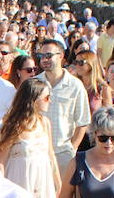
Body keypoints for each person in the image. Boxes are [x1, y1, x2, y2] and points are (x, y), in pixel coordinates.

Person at [0, 77, 59, 198]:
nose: (49, 101)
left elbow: (51, 156)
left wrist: (59, 185)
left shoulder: (45, 123)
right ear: (33, 99)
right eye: (46, 97)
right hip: (20, 182)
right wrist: (1, 188)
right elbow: (1, 160)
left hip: (42, 183)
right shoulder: (13, 124)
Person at [35, 36, 91, 169]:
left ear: (61, 56)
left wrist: (73, 148)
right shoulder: (35, 84)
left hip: (63, 154)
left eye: (48, 55)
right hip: (37, 152)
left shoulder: (75, 85)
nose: (44, 59)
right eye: (41, 55)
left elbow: (82, 122)